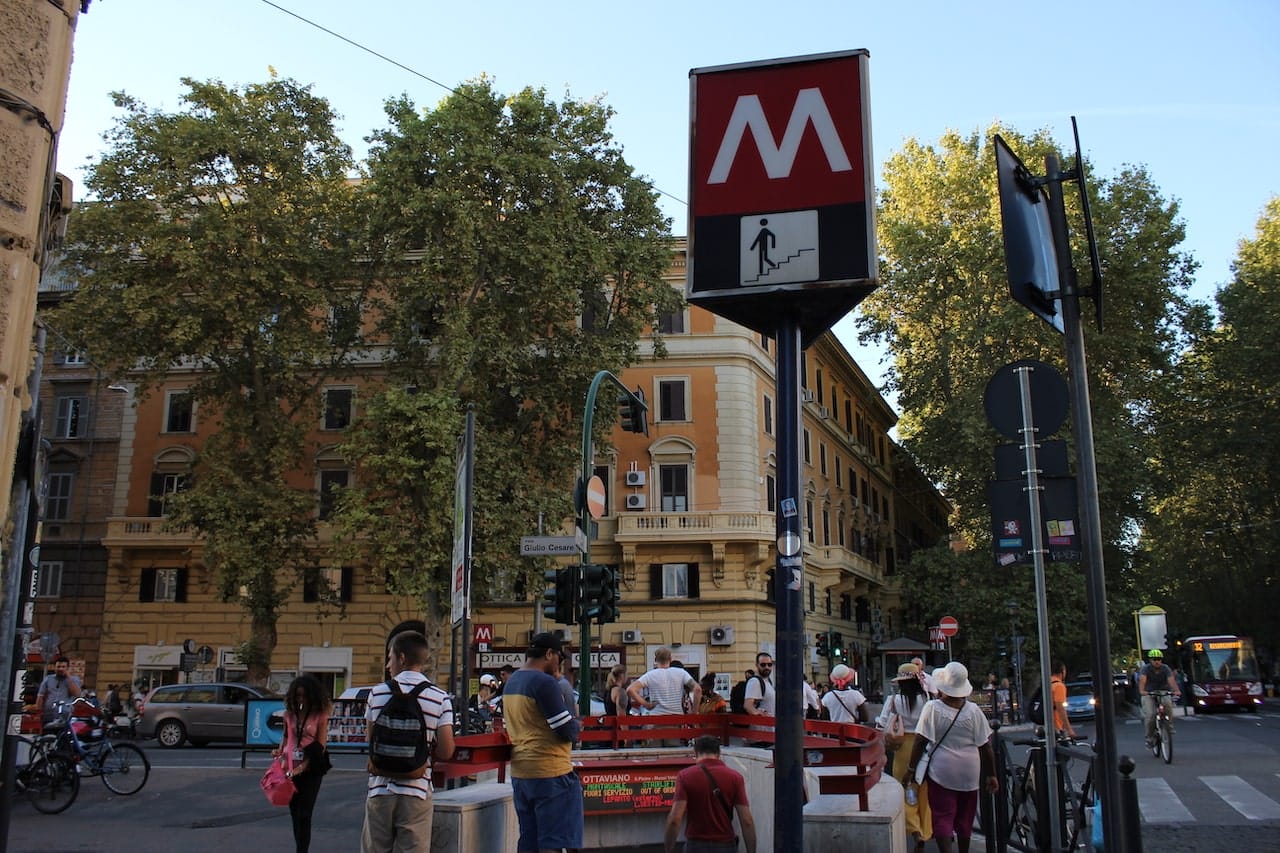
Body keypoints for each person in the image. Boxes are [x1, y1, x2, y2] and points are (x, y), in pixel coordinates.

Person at [361, 631, 456, 853]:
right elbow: (446, 750)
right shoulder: (439, 697)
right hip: (417, 790)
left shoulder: (377, 693)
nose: (387, 665)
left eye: (390, 657)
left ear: (401, 658)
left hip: (380, 790)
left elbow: (370, 738)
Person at [503, 631, 583, 853]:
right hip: (551, 772)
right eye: (560, 657)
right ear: (549, 654)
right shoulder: (543, 682)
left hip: (521, 773)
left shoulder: (512, 682)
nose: (560, 664)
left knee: (529, 841)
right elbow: (565, 729)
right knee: (554, 842)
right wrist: (577, 725)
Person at [906, 662, 998, 853]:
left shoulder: (932, 708)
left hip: (942, 772)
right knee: (966, 818)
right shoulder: (973, 711)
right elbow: (985, 746)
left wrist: (911, 769)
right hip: (970, 773)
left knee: (942, 816)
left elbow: (920, 741)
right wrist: (992, 775)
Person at [664, 735, 757, 853]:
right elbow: (746, 820)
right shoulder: (735, 778)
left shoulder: (685, 776)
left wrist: (668, 849)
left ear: (696, 754)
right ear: (718, 754)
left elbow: (675, 819)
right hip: (726, 845)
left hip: (696, 845)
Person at [273, 674, 332, 853]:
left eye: (304, 696)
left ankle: (302, 850)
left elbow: (320, 746)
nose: (301, 700)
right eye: (298, 696)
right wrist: (279, 751)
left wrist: (302, 767)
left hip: (311, 768)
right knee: (294, 812)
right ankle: (299, 846)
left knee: (305, 813)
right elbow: (285, 737)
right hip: (289, 766)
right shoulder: (289, 715)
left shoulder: (320, 715)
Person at [876, 663, 931, 852]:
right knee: (923, 787)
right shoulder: (927, 699)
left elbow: (882, 723)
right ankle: (925, 829)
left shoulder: (894, 700)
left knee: (905, 787)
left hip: (901, 746)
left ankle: (913, 828)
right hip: (923, 746)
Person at [628, 647, 701, 717]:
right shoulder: (681, 673)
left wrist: (646, 704)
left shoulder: (650, 675)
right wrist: (694, 712)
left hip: (656, 718)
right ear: (670, 659)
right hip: (677, 718)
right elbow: (697, 689)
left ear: (655, 659)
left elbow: (630, 690)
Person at [1138, 649, 1180, 748]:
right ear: (1150, 660)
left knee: (1168, 704)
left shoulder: (1166, 668)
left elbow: (1171, 680)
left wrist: (1176, 690)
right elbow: (1142, 681)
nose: (1157, 661)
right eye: (1154, 659)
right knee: (1150, 714)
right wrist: (1142, 691)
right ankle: (1149, 737)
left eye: (1159, 659)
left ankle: (1169, 725)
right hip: (1148, 692)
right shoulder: (1145, 669)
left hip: (1163, 690)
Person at [35, 656, 82, 729]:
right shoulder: (48, 679)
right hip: (49, 714)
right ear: (55, 667)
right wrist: (38, 712)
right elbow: (40, 695)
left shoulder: (74, 679)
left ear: (67, 668)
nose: (60, 669)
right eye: (58, 667)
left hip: (65, 714)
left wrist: (68, 677)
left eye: (63, 667)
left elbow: (76, 694)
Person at [1050, 661, 1078, 740]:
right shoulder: (1059, 686)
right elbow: (1060, 709)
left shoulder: (1047, 683)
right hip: (1056, 727)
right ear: (1062, 671)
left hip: (1045, 725)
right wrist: (1069, 730)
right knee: (1064, 750)